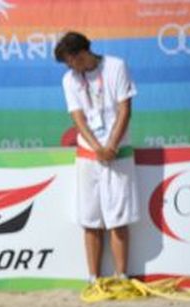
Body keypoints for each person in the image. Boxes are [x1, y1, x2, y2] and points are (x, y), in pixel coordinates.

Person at [54, 31, 139, 286]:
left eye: (72, 60)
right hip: (89, 156)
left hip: (118, 153)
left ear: (82, 53)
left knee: (118, 218)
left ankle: (121, 276)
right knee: (89, 218)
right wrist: (97, 148)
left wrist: (111, 145)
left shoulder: (116, 66)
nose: (71, 67)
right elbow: (78, 118)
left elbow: (125, 109)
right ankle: (94, 278)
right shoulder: (70, 79)